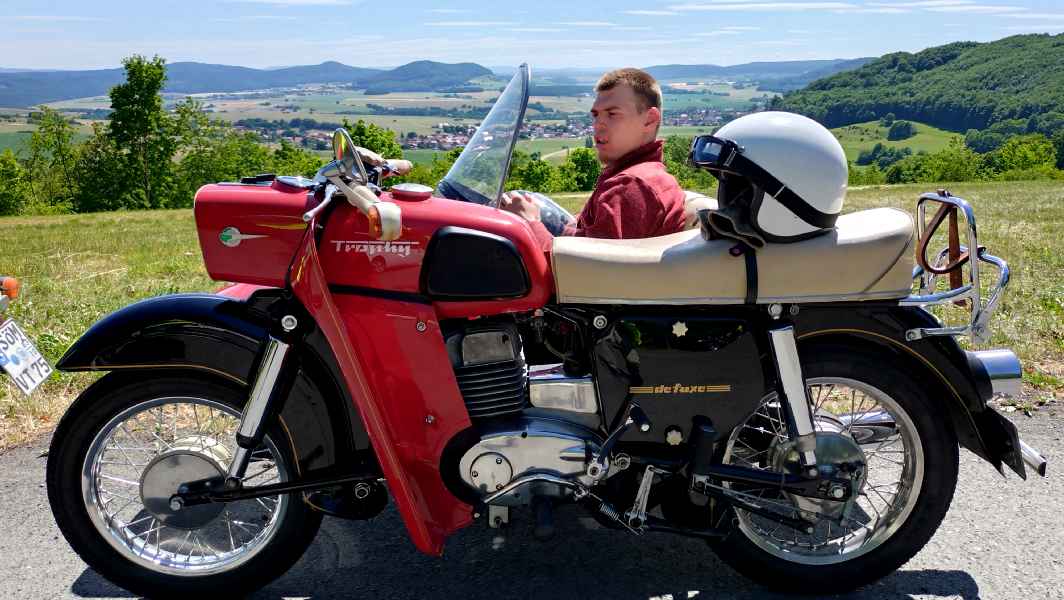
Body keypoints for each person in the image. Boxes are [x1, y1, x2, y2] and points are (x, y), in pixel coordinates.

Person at [499, 68, 686, 247]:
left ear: (650, 119)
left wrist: (531, 222)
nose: (597, 125)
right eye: (596, 115)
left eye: (612, 114)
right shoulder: (644, 176)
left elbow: (582, 272)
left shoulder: (631, 185)